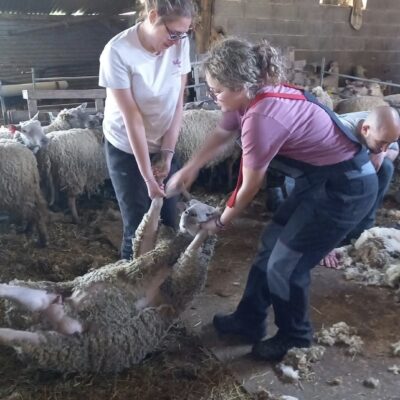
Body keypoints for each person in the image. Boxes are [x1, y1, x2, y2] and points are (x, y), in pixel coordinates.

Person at [166, 37, 383, 362]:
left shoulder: (261, 117)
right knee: (271, 246)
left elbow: (249, 185)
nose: (213, 97)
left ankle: (295, 337)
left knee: (286, 264)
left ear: (240, 85)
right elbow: (222, 132)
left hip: (345, 189)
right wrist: (190, 167)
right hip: (319, 181)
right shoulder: (247, 100)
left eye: (217, 91)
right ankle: (249, 320)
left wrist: (220, 222)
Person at [99, 0, 196, 260]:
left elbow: (177, 102)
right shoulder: (117, 52)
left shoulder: (180, 43)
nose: (176, 41)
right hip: (126, 146)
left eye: (183, 34)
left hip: (163, 138)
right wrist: (148, 179)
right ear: (153, 16)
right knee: (138, 225)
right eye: (173, 33)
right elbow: (132, 118)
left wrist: (167, 154)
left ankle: (165, 277)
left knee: (169, 218)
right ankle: (130, 278)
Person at [322, 107, 400, 268]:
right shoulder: (340, 133)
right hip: (323, 171)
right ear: (365, 130)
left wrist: (380, 153)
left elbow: (394, 150)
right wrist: (325, 243)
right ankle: (327, 237)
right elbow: (322, 189)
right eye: (382, 143)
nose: (385, 147)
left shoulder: (384, 128)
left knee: (386, 168)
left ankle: (361, 230)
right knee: (348, 184)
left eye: (388, 143)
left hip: (356, 155)